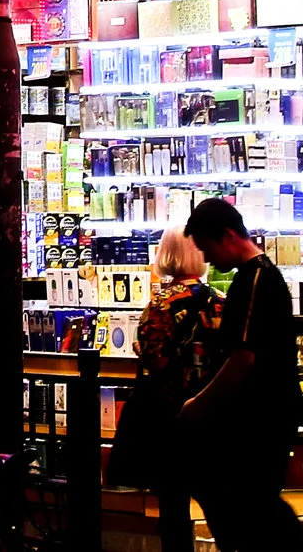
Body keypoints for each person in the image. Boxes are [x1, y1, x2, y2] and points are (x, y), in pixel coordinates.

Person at [178, 198, 303, 552]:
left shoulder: (255, 281)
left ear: (229, 235)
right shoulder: (256, 277)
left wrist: (199, 404)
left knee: (248, 499)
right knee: (250, 499)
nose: (206, 259)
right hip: (264, 414)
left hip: (261, 416)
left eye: (207, 247)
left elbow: (243, 356)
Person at [108, 228, 219, 552]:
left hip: (165, 415)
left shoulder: (159, 303)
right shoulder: (215, 300)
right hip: (208, 409)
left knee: (173, 500)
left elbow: (153, 356)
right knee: (215, 494)